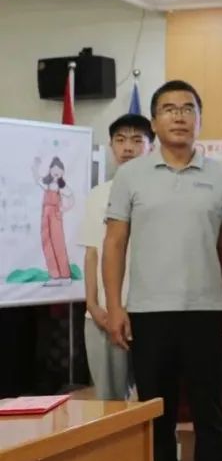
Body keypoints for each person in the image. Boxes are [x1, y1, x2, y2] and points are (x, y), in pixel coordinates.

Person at [103, 80, 222, 461]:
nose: (179, 116)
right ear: (155, 121)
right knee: (158, 416)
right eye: (169, 109)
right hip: (149, 312)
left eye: (188, 108)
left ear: (199, 118)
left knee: (210, 414)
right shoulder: (131, 176)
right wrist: (116, 305)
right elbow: (114, 243)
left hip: (206, 311)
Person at [78, 113, 153, 400]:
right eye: (120, 140)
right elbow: (91, 254)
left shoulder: (159, 194)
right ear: (111, 146)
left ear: (152, 146)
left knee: (153, 398)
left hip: (148, 311)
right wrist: (92, 305)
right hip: (103, 314)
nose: (128, 148)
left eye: (137, 140)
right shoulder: (98, 195)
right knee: (109, 402)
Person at [32, 155, 74, 283]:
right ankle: (54, 274)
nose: (57, 172)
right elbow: (37, 178)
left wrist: (64, 209)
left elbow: (71, 197)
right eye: (54, 170)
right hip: (45, 214)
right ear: (50, 170)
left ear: (62, 172)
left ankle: (65, 274)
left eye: (59, 171)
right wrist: (36, 166)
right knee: (46, 242)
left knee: (58, 242)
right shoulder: (47, 184)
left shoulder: (62, 187)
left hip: (55, 214)